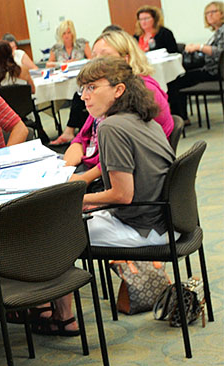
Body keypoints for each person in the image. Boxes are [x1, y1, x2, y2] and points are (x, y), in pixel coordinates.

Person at [37, 57, 175, 337]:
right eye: (82, 90)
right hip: (161, 219)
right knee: (69, 219)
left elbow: (123, 195)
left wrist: (72, 200)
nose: (85, 97)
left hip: (142, 227)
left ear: (119, 90)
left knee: (50, 233)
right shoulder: (143, 119)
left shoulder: (111, 128)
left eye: (91, 88)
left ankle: (61, 316)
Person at [64, 30, 175, 189]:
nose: (96, 61)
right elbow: (84, 136)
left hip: (125, 176)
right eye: (93, 55)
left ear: (125, 59)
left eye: (104, 55)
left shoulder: (140, 93)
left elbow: (130, 154)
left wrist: (83, 178)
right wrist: (65, 168)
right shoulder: (106, 93)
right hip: (95, 163)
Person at [167, 1, 224, 122]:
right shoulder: (217, 32)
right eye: (207, 13)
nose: (209, 15)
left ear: (222, 13)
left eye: (213, 12)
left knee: (176, 81)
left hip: (215, 71)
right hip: (209, 68)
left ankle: (181, 118)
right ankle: (180, 116)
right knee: (179, 76)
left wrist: (200, 47)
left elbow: (220, 52)